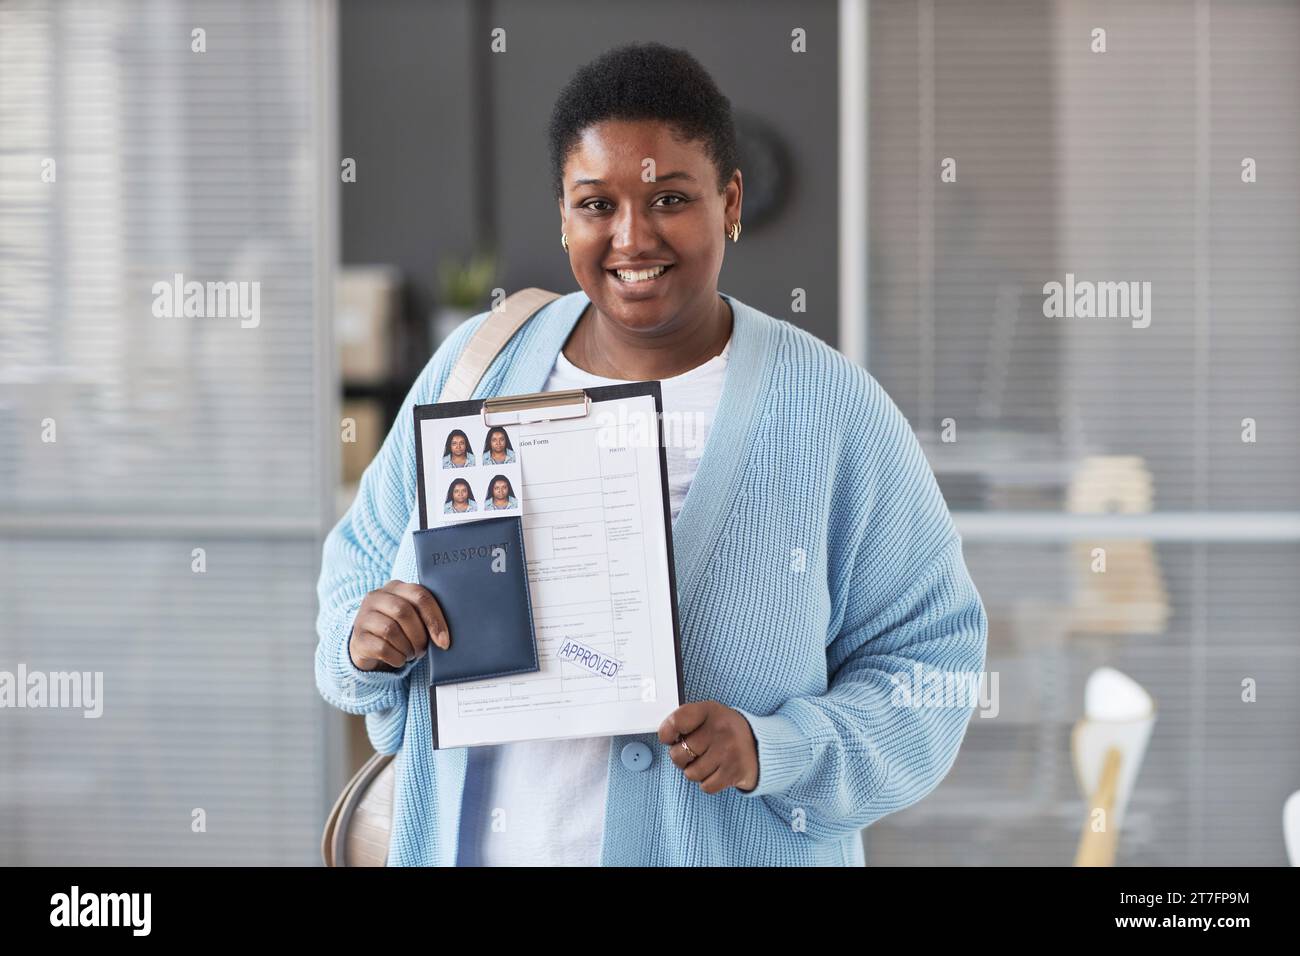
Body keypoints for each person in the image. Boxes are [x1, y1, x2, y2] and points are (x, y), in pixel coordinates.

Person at [315, 42, 987, 867]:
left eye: (670, 197)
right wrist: (365, 636)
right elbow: (355, 564)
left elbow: (933, 667)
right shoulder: (479, 369)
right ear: (562, 214)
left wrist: (772, 748)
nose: (632, 237)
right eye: (596, 204)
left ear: (729, 202)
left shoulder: (832, 412)